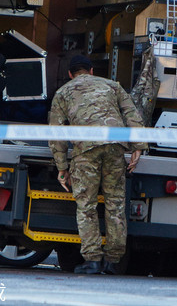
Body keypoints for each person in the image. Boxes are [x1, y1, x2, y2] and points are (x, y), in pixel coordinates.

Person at [48, 55, 146, 275]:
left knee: (87, 206)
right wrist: (138, 146)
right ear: (91, 71)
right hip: (115, 146)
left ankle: (92, 260)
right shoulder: (112, 85)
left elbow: (56, 133)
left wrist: (62, 167)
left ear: (71, 74)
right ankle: (113, 261)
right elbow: (132, 113)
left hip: (86, 149)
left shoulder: (63, 92)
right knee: (115, 204)